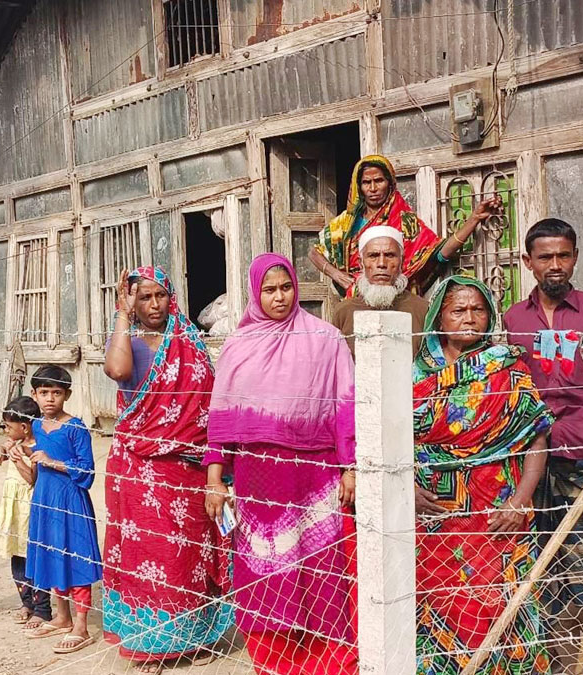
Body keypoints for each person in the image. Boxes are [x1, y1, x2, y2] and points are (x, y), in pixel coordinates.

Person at [203, 252, 358, 675]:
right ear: (256, 292)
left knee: (321, 565)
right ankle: (275, 664)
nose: (279, 297)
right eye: (269, 289)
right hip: (259, 477)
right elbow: (222, 418)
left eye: (286, 287)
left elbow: (345, 406)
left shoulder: (325, 339)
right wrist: (215, 478)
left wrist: (351, 467)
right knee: (266, 568)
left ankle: (328, 665)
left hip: (316, 473)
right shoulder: (238, 345)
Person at [502, 218, 583, 674]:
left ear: (575, 257)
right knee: (542, 554)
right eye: (544, 257)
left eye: (563, 256)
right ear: (528, 262)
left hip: (582, 450)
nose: (555, 265)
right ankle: (553, 655)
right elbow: (511, 383)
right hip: (532, 455)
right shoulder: (514, 318)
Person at [412, 276, 554, 674]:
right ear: (440, 316)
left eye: (478, 310)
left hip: (499, 507)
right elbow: (389, 438)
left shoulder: (508, 366)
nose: (469, 319)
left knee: (501, 596)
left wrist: (519, 501)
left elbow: (536, 437)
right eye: (458, 311)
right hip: (434, 511)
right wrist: (406, 488)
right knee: (440, 597)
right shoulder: (414, 373)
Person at [101, 266, 233, 674]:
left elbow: (209, 402)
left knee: (187, 554)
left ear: (171, 296)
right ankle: (153, 643)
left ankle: (193, 638)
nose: (153, 305)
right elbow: (119, 371)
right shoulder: (127, 339)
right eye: (144, 298)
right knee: (149, 555)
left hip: (190, 466)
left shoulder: (189, 342)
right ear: (131, 302)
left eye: (160, 296)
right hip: (141, 468)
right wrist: (122, 315)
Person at [310, 154, 501, 296]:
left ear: (390, 184)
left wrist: (474, 218)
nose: (373, 188)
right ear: (359, 187)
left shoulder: (405, 222)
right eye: (366, 182)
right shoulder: (346, 223)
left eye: (379, 181)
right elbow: (314, 252)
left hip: (397, 300)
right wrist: (337, 275)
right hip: (356, 300)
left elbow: (439, 254)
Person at [24, 365, 103, 655]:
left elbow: (87, 472)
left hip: (70, 502)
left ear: (67, 395)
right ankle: (61, 616)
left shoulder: (76, 428)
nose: (49, 399)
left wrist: (52, 461)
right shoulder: (35, 426)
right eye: (43, 393)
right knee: (51, 554)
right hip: (44, 501)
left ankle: (81, 626)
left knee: (75, 558)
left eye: (56, 393)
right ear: (34, 394)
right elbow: (20, 439)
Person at [0, 395, 50, 631]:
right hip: (14, 509)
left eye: (8, 426)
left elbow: (32, 480)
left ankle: (42, 606)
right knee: (16, 553)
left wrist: (18, 462)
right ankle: (26, 603)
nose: (6, 431)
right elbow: (3, 444)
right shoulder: (14, 442)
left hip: (30, 508)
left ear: (24, 427)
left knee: (34, 555)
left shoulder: (37, 448)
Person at [329, 225, 429, 357]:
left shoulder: (423, 309)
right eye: (373, 256)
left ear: (402, 262)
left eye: (390, 255)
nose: (381, 263)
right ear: (361, 263)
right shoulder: (343, 312)